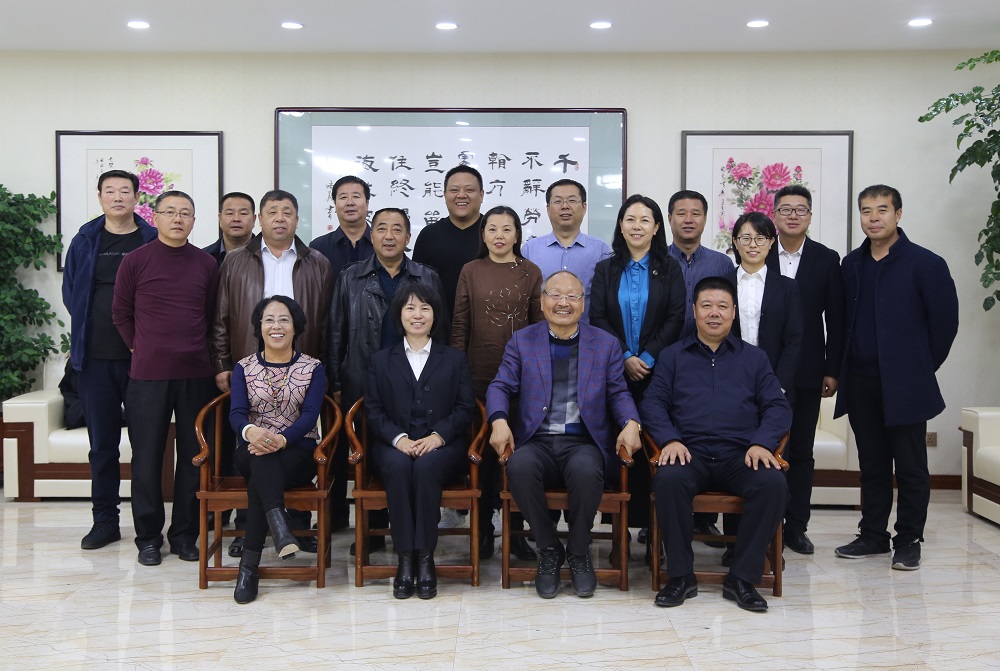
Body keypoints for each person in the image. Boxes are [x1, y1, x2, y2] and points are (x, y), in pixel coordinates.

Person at [486, 270, 642, 599]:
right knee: (518, 467)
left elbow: (618, 393)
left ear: (583, 305)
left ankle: (579, 551)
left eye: (572, 296)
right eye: (555, 295)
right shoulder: (522, 341)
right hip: (536, 441)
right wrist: (498, 420)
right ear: (542, 302)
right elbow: (500, 385)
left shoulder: (605, 344)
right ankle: (549, 548)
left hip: (582, 442)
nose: (563, 303)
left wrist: (631, 422)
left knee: (587, 469)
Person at [640, 276, 792, 612]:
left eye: (722, 306)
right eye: (706, 305)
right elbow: (652, 404)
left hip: (740, 454)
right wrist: (669, 439)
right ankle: (680, 576)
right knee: (668, 479)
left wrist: (762, 443)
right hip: (688, 452)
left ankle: (743, 578)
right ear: (694, 311)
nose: (714, 313)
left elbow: (778, 407)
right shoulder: (672, 356)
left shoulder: (754, 358)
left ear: (733, 313)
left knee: (772, 484)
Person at [833, 184, 959, 571]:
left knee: (910, 466)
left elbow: (945, 326)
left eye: (882, 210)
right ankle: (873, 535)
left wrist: (918, 367)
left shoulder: (926, 264)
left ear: (898, 214)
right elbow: (842, 322)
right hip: (860, 380)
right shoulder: (851, 265)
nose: (874, 218)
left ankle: (908, 540)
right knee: (872, 465)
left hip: (905, 383)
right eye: (866, 211)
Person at [212, 189, 332, 555]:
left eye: (287, 212)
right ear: (260, 219)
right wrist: (222, 364)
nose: (280, 218)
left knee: (293, 438)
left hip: (301, 369)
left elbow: (328, 322)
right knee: (252, 439)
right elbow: (221, 317)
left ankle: (294, 527)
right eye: (272, 212)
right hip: (250, 365)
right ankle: (252, 525)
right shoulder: (235, 261)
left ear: (297, 219)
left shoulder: (318, 263)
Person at [329, 207, 447, 553]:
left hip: (418, 381)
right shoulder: (350, 276)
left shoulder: (426, 276)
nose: (389, 236)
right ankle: (372, 530)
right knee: (369, 455)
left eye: (398, 229)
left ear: (408, 237)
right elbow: (335, 331)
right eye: (381, 228)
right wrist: (336, 381)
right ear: (371, 235)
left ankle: (411, 530)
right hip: (363, 379)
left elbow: (441, 332)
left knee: (414, 452)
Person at [112, 190, 219, 566]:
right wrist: (139, 347)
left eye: (185, 213)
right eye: (170, 212)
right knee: (146, 459)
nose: (177, 219)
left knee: (193, 457)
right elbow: (120, 313)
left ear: (194, 221)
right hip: (148, 376)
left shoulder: (206, 263)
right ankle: (148, 538)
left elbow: (210, 315)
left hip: (196, 374)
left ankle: (185, 535)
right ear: (154, 217)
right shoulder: (135, 260)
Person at [62, 169, 157, 550]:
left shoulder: (151, 239)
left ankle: (148, 528)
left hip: (142, 362)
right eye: (110, 191)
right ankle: (105, 521)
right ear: (100, 196)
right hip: (94, 361)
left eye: (125, 191)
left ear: (137, 197)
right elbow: (72, 293)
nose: (118, 197)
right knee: (102, 447)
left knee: (146, 448)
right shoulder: (85, 240)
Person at [365, 284, 476, 599]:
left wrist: (438, 436)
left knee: (426, 468)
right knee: (400, 467)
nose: (418, 315)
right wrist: (398, 439)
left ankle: (425, 557)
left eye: (425, 308)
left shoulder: (454, 359)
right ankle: (405, 558)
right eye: (410, 308)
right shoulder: (381, 360)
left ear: (435, 315)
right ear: (399, 315)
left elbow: (465, 407)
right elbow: (372, 410)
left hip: (443, 446)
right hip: (393, 445)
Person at [590, 194, 686, 550]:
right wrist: (626, 356)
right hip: (615, 374)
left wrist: (645, 357)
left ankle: (652, 528)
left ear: (657, 227)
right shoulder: (606, 268)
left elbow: (676, 317)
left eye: (645, 220)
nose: (637, 226)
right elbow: (597, 317)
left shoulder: (669, 268)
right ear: (620, 225)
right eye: (630, 219)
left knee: (652, 448)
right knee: (617, 448)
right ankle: (618, 531)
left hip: (656, 374)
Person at [451, 205, 544, 561]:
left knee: (517, 458)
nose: (500, 235)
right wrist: (458, 373)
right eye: (492, 229)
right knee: (483, 459)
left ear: (518, 234)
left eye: (507, 229)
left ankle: (516, 532)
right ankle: (483, 530)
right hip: (478, 375)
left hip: (523, 380)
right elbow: (460, 325)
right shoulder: (470, 270)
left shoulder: (531, 271)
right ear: (483, 234)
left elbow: (539, 328)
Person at [230, 295, 327, 604]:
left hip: (298, 450)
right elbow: (236, 414)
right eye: (269, 320)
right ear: (259, 327)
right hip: (252, 446)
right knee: (260, 459)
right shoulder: (243, 367)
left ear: (296, 326)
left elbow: (310, 415)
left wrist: (282, 439)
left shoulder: (313, 367)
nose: (277, 326)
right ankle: (281, 527)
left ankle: (248, 568)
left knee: (261, 474)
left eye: (284, 319)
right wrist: (251, 432)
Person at [765, 185, 844, 555]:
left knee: (800, 451)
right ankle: (762, 525)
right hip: (764, 369)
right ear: (774, 215)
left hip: (809, 370)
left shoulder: (826, 259)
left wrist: (833, 369)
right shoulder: (760, 252)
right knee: (762, 447)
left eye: (800, 209)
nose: (793, 215)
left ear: (810, 216)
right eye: (785, 209)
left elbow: (837, 319)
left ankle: (796, 527)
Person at [720, 211, 803, 565]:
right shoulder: (723, 283)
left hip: (775, 391)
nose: (752, 245)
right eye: (745, 238)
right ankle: (733, 543)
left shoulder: (788, 287)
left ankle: (771, 544)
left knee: (772, 464)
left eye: (760, 238)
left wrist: (778, 387)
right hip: (729, 389)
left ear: (771, 242)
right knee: (733, 458)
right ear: (735, 243)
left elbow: (795, 341)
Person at [666, 189, 734, 543]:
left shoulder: (722, 264)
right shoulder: (658, 259)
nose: (688, 219)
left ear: (706, 219)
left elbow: (728, 312)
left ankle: (705, 519)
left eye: (695, 213)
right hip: (666, 360)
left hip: (712, 359)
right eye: (681, 213)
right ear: (670, 219)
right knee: (670, 433)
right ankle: (657, 520)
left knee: (709, 431)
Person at [521, 179, 612, 322]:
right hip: (541, 332)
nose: (565, 206)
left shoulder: (601, 250)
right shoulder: (530, 249)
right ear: (548, 208)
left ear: (584, 207)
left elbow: (608, 300)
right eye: (558, 201)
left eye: (572, 200)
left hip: (588, 332)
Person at [412, 165, 486, 313]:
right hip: (437, 323)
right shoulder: (428, 235)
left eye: (469, 190)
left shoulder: (493, 234)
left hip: (485, 323)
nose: (461, 195)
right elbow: (415, 286)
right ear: (445, 195)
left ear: (482, 195)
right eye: (454, 190)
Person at [309, 175, 375, 291]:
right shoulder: (318, 247)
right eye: (343, 197)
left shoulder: (382, 244)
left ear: (367, 203)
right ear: (335, 205)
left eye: (356, 196)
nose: (350, 202)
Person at [202, 192, 255, 266]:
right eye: (230, 213)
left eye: (243, 213)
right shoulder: (203, 257)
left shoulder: (267, 255)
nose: (236, 219)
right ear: (220, 219)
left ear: (254, 219)